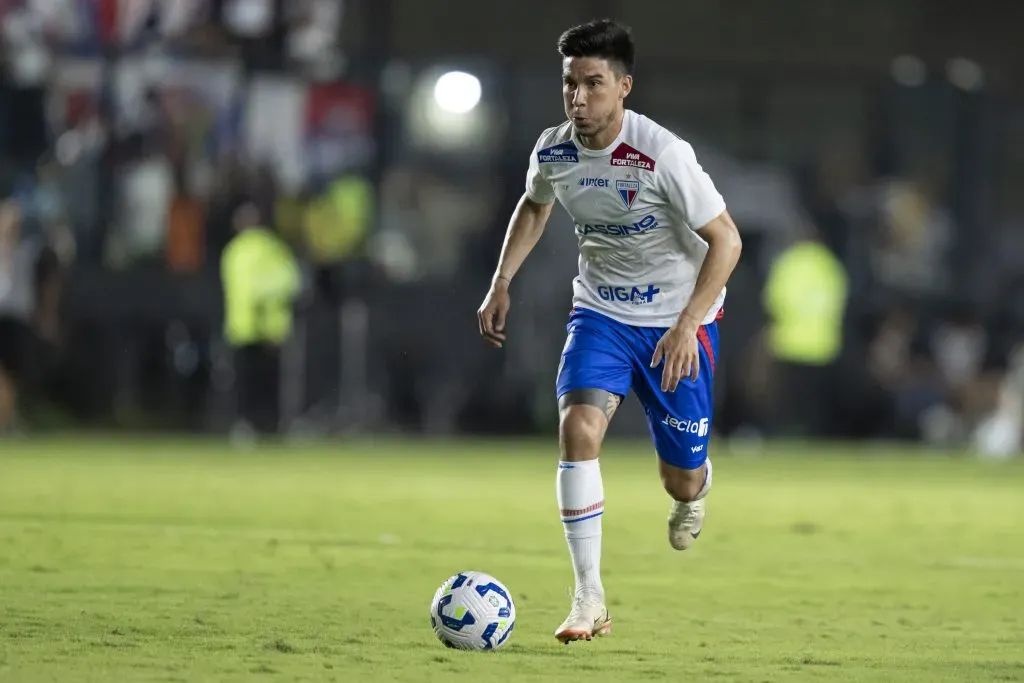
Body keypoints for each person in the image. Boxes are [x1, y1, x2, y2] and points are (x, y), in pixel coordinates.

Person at [476, 19, 742, 644]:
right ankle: (588, 595)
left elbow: (726, 240)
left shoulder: (662, 154)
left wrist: (686, 325)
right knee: (577, 427)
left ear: (624, 86)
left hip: (678, 322)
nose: (578, 99)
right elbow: (535, 203)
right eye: (570, 84)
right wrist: (501, 279)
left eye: (593, 84)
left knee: (679, 475)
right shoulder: (554, 150)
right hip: (600, 313)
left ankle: (692, 490)